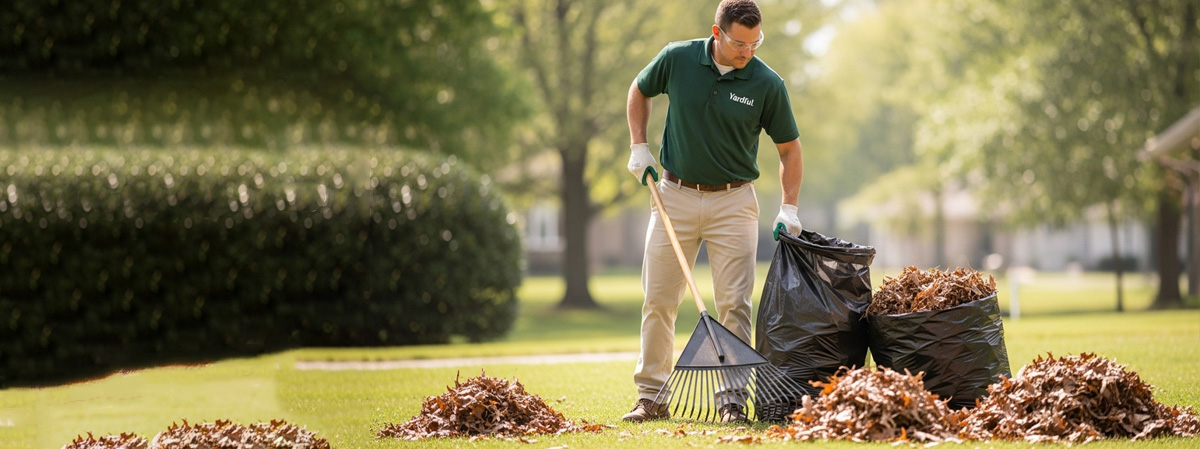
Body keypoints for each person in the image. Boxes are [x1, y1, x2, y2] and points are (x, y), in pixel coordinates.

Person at [622, 0, 804, 424]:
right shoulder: (678, 57)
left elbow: (789, 149)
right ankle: (652, 395)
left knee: (735, 304)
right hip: (674, 194)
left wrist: (789, 207)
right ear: (717, 32)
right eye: (740, 43)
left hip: (734, 202)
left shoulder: (766, 82)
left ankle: (731, 400)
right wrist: (638, 146)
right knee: (659, 300)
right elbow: (639, 89)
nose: (747, 52)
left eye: (755, 42)